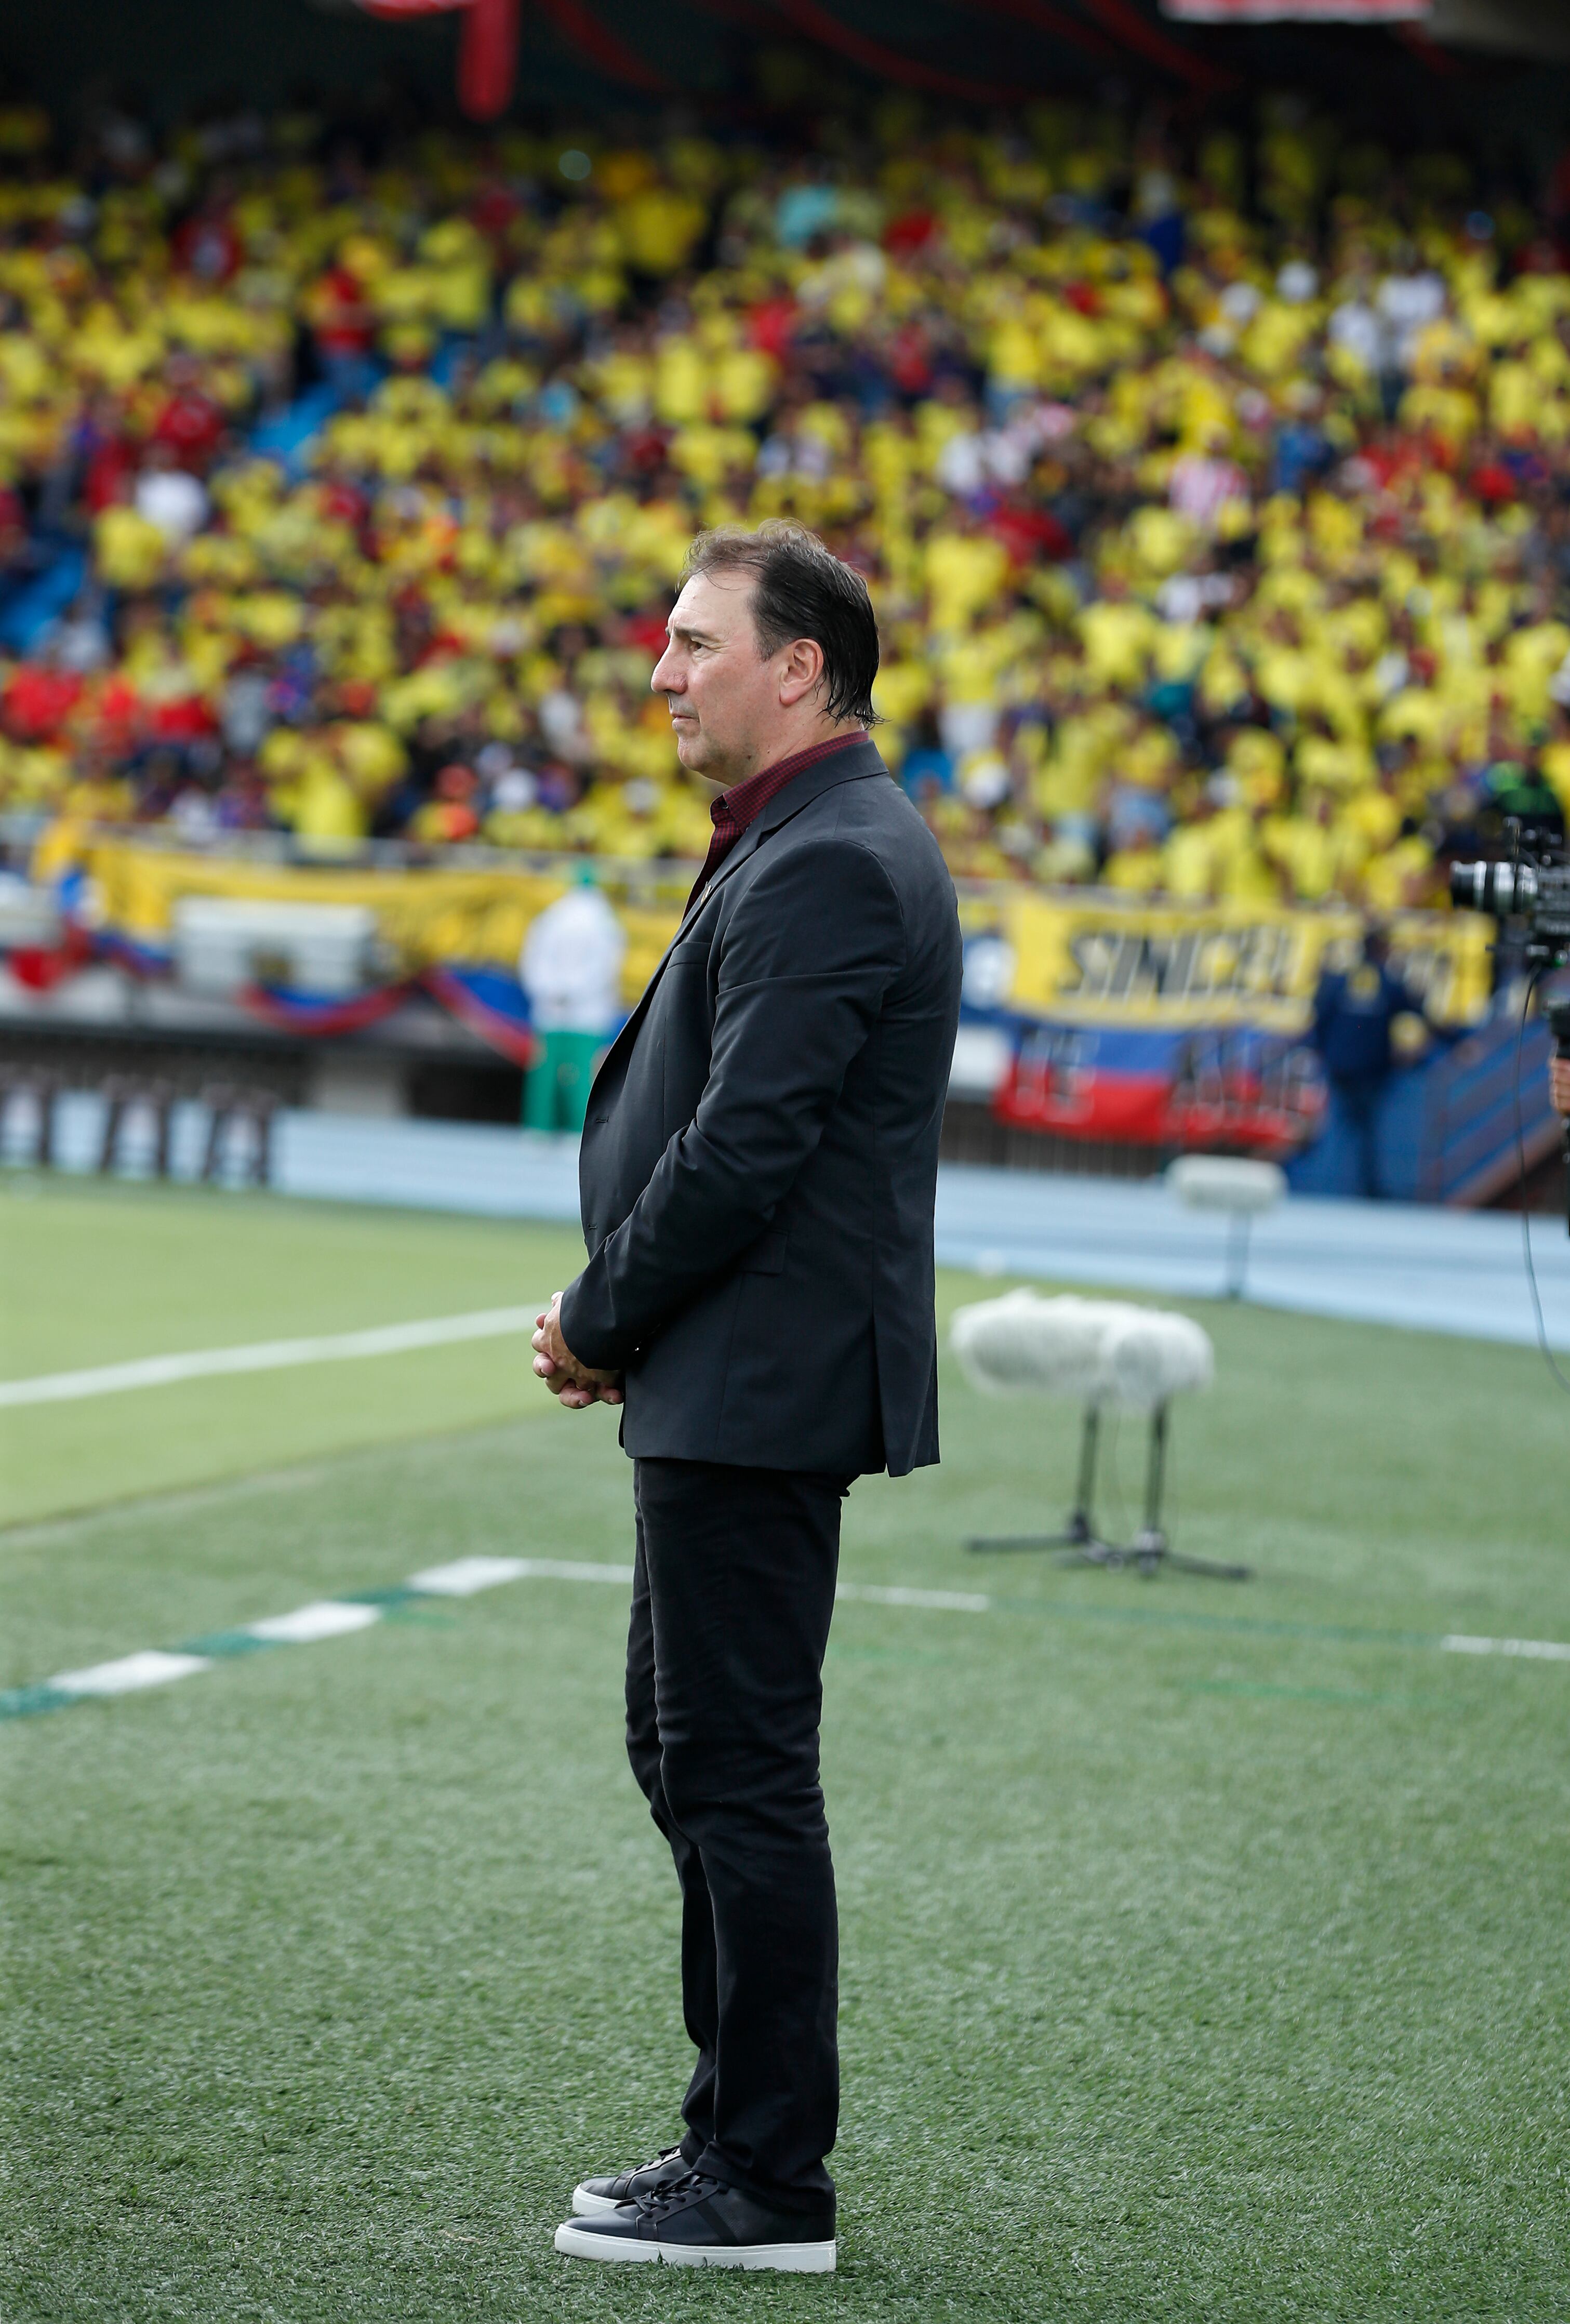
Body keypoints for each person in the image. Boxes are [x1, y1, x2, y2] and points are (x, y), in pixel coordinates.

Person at [532, 521, 962, 2274]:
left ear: (800, 666)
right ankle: (737, 2138)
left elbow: (744, 1147)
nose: (660, 670)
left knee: (737, 1768)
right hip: (736, 1370)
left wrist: (597, 1312)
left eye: (695, 640)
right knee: (695, 1752)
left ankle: (765, 2176)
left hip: (753, 1373)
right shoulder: (810, 835)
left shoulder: (838, 854)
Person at [1309, 924, 1427, 1200]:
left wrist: (1323, 1051)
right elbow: (1415, 1010)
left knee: (1339, 1127)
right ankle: (1367, 1189)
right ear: (1381, 949)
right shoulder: (1388, 983)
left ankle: (1330, 1187)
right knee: (1369, 1132)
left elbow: (1320, 1017)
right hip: (1372, 1071)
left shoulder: (1340, 981)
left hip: (1341, 1068)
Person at [518, 866, 626, 1133]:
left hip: (552, 1008)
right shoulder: (605, 921)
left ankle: (539, 1126)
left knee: (547, 1073)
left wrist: (550, 988)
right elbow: (605, 967)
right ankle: (581, 1130)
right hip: (586, 1011)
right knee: (581, 1075)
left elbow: (533, 959)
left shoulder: (551, 917)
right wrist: (574, 990)